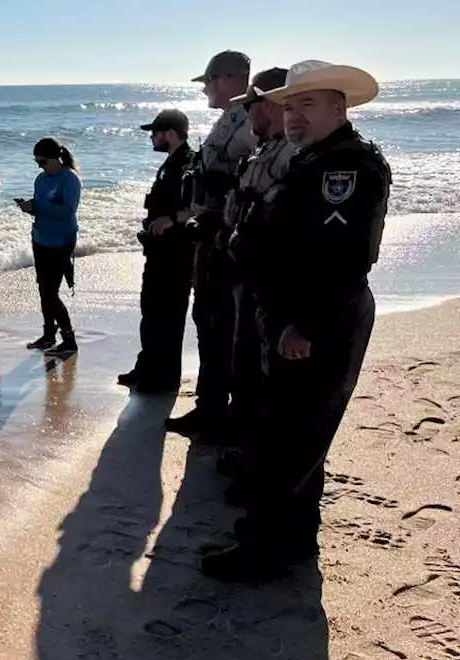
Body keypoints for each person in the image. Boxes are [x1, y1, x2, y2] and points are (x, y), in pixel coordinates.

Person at [202, 60, 391, 582]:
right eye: (289, 105)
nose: (294, 116)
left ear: (339, 107)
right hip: (290, 314)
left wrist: (302, 325)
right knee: (289, 431)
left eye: (308, 104)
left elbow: (342, 260)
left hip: (316, 320)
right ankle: (290, 536)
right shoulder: (315, 160)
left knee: (290, 437)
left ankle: (268, 549)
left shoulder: (345, 167)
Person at [166, 49, 257, 441]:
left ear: (226, 78)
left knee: (221, 329)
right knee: (208, 325)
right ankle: (211, 407)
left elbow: (250, 182)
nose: (206, 90)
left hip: (225, 237)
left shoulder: (249, 121)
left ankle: (221, 414)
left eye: (208, 81)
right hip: (210, 235)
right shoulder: (229, 120)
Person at [217, 67, 298, 495]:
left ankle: (262, 470)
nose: (247, 114)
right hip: (249, 277)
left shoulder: (290, 154)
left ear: (269, 104)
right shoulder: (264, 149)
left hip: (271, 281)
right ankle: (248, 453)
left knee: (268, 379)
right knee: (245, 366)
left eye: (250, 105)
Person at [118, 109, 197, 393]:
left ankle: (162, 378)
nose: (152, 137)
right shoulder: (171, 163)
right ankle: (147, 368)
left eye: (156, 132)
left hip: (176, 255)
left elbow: (199, 206)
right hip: (160, 253)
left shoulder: (188, 163)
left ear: (171, 134)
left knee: (168, 315)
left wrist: (171, 219)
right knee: (151, 311)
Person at [17, 137, 81, 357]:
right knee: (44, 290)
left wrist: (38, 206)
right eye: (36, 161)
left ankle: (69, 339)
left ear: (56, 158)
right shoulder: (41, 179)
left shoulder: (70, 179)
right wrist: (29, 208)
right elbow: (41, 208)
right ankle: (48, 335)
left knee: (50, 293)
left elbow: (67, 212)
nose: (39, 166)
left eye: (42, 161)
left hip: (61, 241)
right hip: (40, 239)